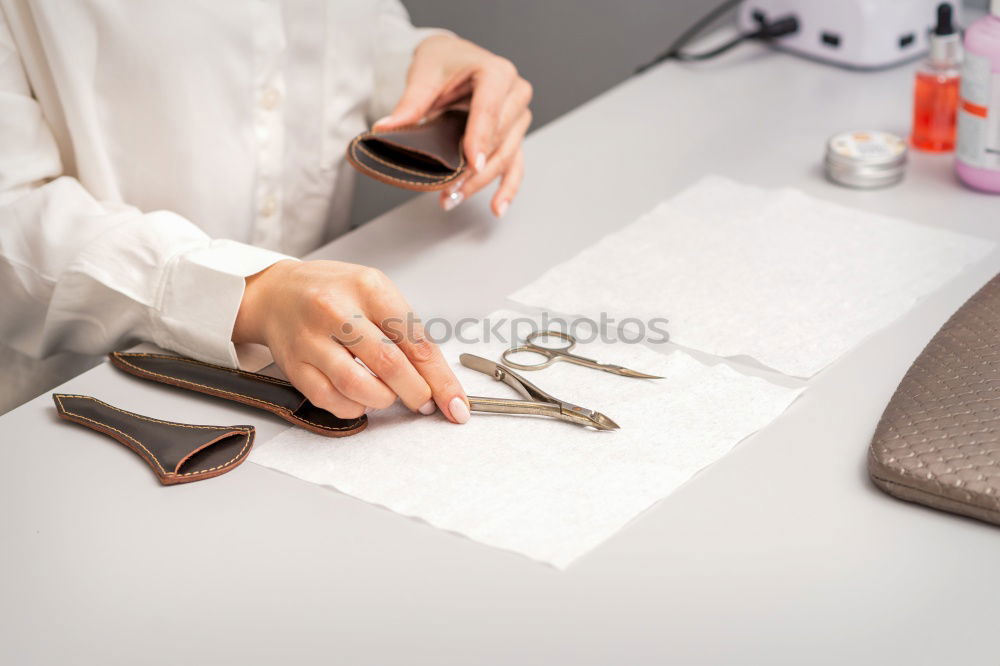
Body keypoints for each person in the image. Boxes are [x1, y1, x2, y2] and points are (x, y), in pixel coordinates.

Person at [0, 1, 532, 421]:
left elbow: (344, 30)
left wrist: (423, 64)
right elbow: (13, 208)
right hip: (71, 395)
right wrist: (250, 293)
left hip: (322, 360)